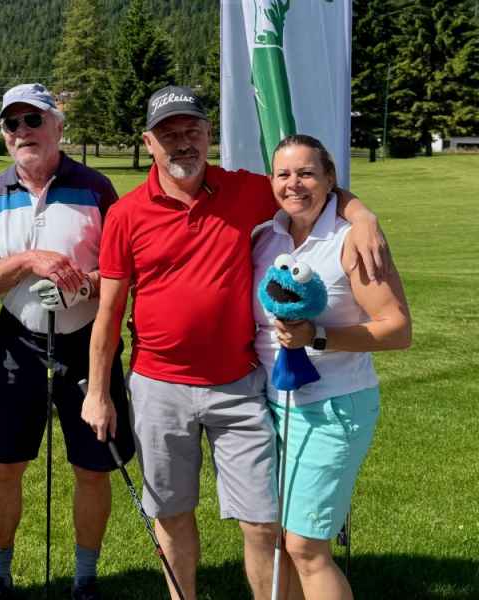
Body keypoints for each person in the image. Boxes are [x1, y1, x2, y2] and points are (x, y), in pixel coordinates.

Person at [82, 86, 389, 600]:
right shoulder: (127, 213)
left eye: (192, 130)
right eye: (168, 134)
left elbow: (313, 189)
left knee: (263, 525)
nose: (182, 142)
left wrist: (363, 217)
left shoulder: (247, 190)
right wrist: (97, 392)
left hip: (240, 385)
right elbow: (109, 312)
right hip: (158, 386)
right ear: (149, 143)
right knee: (172, 514)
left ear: (209, 135)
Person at [0, 83, 135, 600]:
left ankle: (85, 580)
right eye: (11, 124)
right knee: (5, 466)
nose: (22, 132)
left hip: (86, 345)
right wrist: (27, 261)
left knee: (92, 468)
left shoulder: (95, 188)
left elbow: (122, 272)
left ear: (58, 127)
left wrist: (81, 286)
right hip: (17, 344)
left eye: (33, 120)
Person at [252, 134, 411, 600]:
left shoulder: (352, 241)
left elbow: (397, 329)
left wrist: (318, 336)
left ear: (330, 180)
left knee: (306, 546)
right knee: (277, 537)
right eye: (283, 174)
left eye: (306, 173)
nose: (294, 184)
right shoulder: (266, 237)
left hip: (333, 408)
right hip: (270, 404)